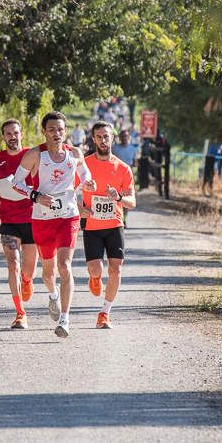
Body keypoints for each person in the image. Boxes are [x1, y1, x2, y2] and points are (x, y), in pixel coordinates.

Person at [12, 111, 96, 338]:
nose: (56, 134)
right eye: (52, 130)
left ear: (65, 131)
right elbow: (15, 183)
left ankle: (65, 319)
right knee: (48, 273)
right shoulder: (34, 155)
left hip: (68, 217)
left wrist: (88, 184)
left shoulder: (75, 153)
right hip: (42, 220)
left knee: (64, 266)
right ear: (44, 132)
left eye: (60, 129)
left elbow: (86, 177)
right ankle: (53, 295)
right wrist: (34, 196)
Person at [79, 121, 136, 329]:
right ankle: (95, 278)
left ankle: (104, 313)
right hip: (92, 225)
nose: (104, 140)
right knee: (96, 269)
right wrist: (79, 208)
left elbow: (132, 202)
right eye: (100, 136)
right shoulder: (83, 165)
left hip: (114, 225)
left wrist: (119, 197)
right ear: (93, 139)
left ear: (112, 138)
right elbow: (67, 191)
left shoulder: (123, 168)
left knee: (116, 269)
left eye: (107, 136)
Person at [0, 119, 39, 329]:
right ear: (3, 137)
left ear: (22, 134)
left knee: (27, 270)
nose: (12, 137)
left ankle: (27, 281)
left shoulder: (31, 156)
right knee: (13, 264)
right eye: (8, 133)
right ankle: (20, 313)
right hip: (8, 220)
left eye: (15, 133)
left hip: (32, 219)